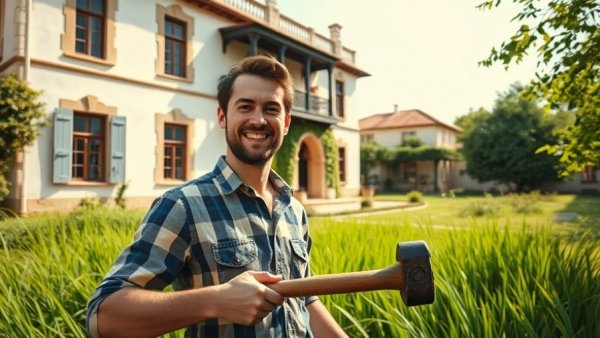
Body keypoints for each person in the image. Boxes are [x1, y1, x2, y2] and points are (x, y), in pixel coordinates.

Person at [86, 55, 347, 338]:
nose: (258, 119)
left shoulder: (294, 210)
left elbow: (304, 300)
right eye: (245, 106)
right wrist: (216, 301)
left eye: (271, 109)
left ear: (285, 123)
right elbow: (104, 317)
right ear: (222, 116)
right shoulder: (183, 206)